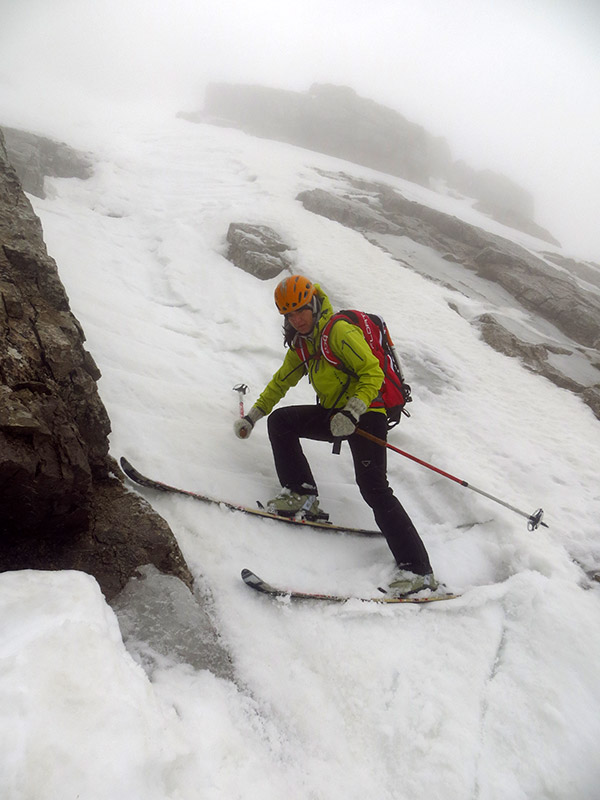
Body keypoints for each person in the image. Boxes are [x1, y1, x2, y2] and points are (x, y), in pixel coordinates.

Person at [233, 274, 437, 597]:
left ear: (314, 304)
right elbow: (281, 381)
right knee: (281, 422)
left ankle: (419, 571)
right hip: (336, 414)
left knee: (374, 488)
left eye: (301, 310)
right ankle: (301, 493)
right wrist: (254, 416)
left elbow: (373, 372)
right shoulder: (303, 344)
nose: (297, 319)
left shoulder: (338, 332)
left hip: (367, 412)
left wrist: (353, 411)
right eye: (289, 314)